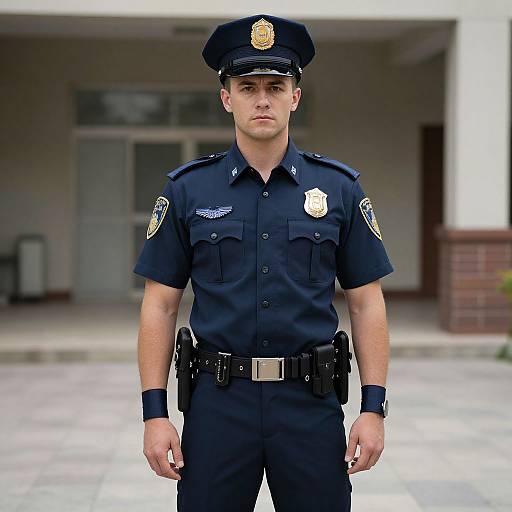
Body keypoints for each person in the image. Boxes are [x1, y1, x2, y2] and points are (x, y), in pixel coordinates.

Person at [134, 13, 393, 512]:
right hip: (217, 406)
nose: (262, 99)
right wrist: (154, 414)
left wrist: (373, 408)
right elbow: (160, 306)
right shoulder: (188, 190)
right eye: (247, 86)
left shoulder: (339, 188)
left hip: (310, 405)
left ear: (295, 95)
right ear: (226, 97)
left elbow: (366, 302)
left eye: (276, 85)